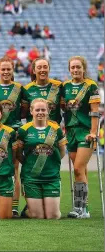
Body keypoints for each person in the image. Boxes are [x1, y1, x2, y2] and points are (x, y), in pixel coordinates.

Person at [62, 56, 101, 218]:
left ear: (83, 68)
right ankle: (83, 208)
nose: (75, 70)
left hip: (85, 132)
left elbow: (94, 111)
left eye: (78, 67)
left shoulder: (90, 86)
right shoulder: (65, 86)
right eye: (73, 67)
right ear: (69, 69)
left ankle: (80, 208)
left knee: (78, 168)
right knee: (81, 171)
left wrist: (93, 132)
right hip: (70, 131)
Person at [14, 98, 66, 219]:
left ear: (48, 112)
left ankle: (42, 205)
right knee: (37, 216)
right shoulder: (23, 130)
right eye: (37, 110)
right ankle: (28, 210)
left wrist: (51, 164)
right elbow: (18, 154)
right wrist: (29, 164)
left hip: (51, 177)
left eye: (43, 109)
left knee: (53, 216)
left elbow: (62, 151)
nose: (40, 112)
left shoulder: (56, 129)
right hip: (31, 178)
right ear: (31, 111)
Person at [0, 57, 24, 216]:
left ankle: (14, 206)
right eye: (3, 69)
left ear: (13, 70)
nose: (6, 72)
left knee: (14, 169)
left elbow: (23, 111)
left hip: (13, 133)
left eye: (9, 69)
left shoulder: (19, 88)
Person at [22, 58, 62, 124]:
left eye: (45, 67)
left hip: (53, 131)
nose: (42, 70)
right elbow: (23, 114)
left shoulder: (58, 85)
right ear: (34, 71)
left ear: (49, 69)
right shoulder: (26, 89)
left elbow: (65, 108)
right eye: (39, 67)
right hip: (33, 132)